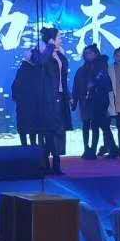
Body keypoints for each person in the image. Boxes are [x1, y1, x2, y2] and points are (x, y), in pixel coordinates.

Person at [30, 27, 71, 174]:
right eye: (58, 37)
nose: (61, 40)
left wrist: (68, 95)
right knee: (47, 131)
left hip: (60, 97)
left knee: (58, 131)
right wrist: (50, 47)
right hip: (46, 99)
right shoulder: (38, 52)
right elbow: (41, 62)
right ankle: (45, 163)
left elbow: (63, 77)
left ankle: (56, 163)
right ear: (52, 39)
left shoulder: (59, 54)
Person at [71, 44, 118, 159]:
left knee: (98, 125)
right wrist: (75, 101)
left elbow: (107, 85)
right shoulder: (81, 70)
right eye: (86, 53)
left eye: (90, 53)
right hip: (85, 101)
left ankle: (94, 149)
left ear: (96, 54)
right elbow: (76, 86)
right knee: (88, 125)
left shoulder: (102, 67)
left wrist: (95, 84)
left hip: (99, 101)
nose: (88, 55)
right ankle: (88, 149)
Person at [10, 55, 46, 147]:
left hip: (24, 103)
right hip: (30, 102)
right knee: (32, 125)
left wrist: (16, 97)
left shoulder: (23, 70)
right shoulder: (32, 70)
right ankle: (31, 145)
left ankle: (25, 146)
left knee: (25, 125)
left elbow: (15, 85)